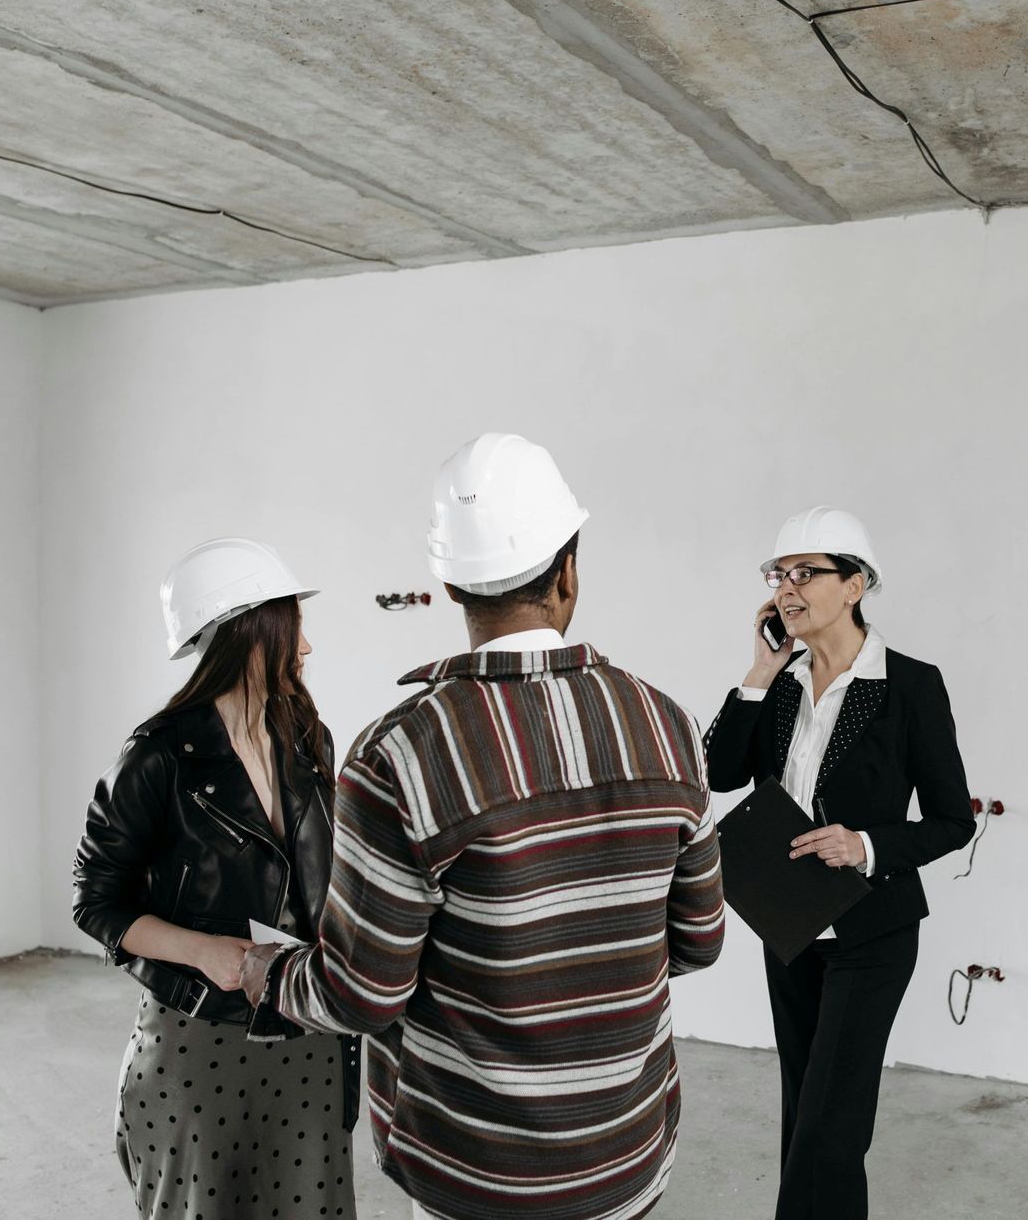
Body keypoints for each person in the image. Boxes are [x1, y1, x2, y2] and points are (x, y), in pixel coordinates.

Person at [238, 432, 725, 1220]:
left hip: (475, 1173)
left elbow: (362, 996)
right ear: (568, 572)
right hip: (628, 1153)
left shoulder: (401, 755)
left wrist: (267, 973)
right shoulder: (668, 726)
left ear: (450, 582)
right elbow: (700, 941)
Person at [71, 537, 359, 1219]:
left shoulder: (309, 738)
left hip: (305, 1028)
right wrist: (204, 952)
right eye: (294, 628)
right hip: (200, 1042)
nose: (307, 648)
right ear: (250, 632)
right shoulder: (158, 756)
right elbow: (94, 901)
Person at [704, 506, 977, 1220]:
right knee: (806, 1114)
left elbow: (954, 821)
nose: (787, 589)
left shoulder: (910, 687)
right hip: (789, 923)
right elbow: (720, 772)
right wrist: (759, 674)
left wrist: (867, 845)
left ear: (855, 585)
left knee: (832, 1128)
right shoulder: (780, 683)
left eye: (806, 574)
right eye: (778, 575)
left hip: (870, 931)